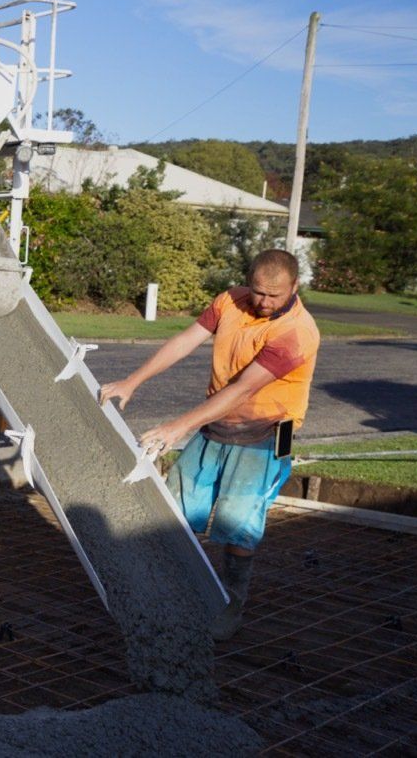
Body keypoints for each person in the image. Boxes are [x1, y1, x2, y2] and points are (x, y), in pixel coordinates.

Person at [99, 249, 320, 639]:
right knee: (175, 512)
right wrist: (132, 381)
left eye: (275, 295)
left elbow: (243, 389)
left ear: (295, 287)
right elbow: (186, 341)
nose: (264, 302)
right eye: (258, 292)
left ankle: (229, 605)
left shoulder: (296, 333)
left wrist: (176, 428)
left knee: (238, 523)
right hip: (216, 424)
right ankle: (172, 593)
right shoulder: (230, 300)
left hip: (266, 434)